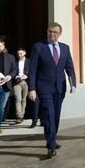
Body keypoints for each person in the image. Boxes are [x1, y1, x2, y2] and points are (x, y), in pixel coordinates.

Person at [28, 22, 77, 159]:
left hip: (60, 88)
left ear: (60, 34)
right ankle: (50, 146)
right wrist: (32, 88)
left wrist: (73, 82)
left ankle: (52, 140)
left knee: (55, 116)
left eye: (55, 32)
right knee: (49, 115)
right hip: (44, 88)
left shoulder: (65, 48)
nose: (52, 34)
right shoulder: (38, 47)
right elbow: (32, 70)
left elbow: (70, 67)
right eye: (50, 31)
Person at [13, 48, 29, 124]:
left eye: (21, 53)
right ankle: (19, 116)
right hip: (17, 82)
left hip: (26, 82)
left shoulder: (29, 61)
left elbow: (32, 70)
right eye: (18, 54)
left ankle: (22, 114)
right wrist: (16, 76)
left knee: (24, 99)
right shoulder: (15, 62)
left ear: (24, 53)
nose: (19, 55)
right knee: (17, 99)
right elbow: (12, 71)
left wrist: (26, 76)